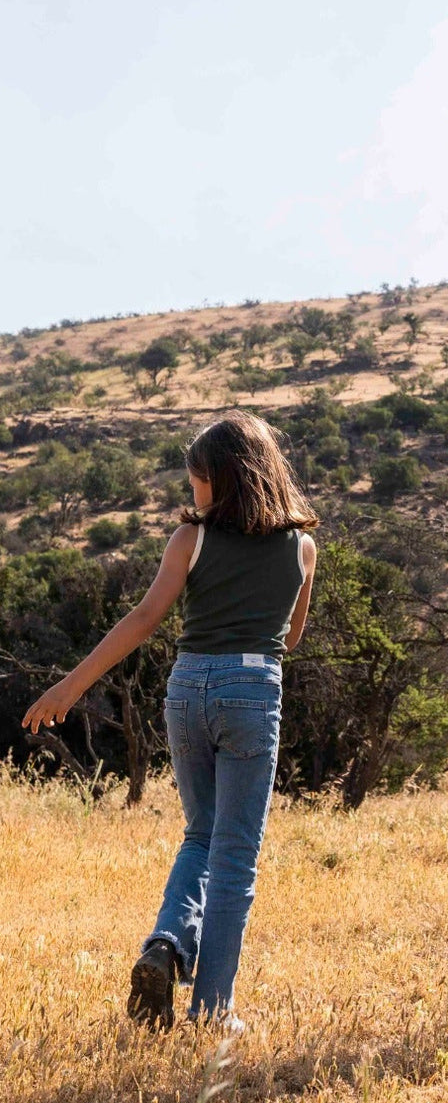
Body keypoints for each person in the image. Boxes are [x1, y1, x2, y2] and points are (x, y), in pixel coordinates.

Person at [23, 411, 318, 1031]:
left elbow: (143, 619)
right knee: (235, 854)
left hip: (186, 688)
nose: (193, 493)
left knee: (200, 835)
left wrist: (69, 687)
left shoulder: (191, 540)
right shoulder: (302, 547)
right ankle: (213, 1009)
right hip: (251, 685)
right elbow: (291, 636)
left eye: (197, 481)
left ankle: (165, 942)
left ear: (224, 479)